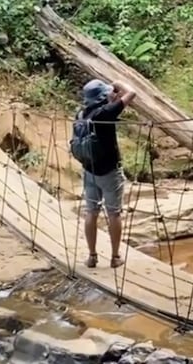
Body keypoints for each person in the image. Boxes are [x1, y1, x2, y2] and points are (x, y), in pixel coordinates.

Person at [78, 78, 136, 269]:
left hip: (89, 171)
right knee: (114, 213)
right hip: (110, 173)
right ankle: (115, 257)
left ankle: (92, 257)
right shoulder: (105, 113)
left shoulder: (82, 113)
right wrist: (118, 82)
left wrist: (109, 95)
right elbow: (132, 93)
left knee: (91, 212)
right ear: (103, 97)